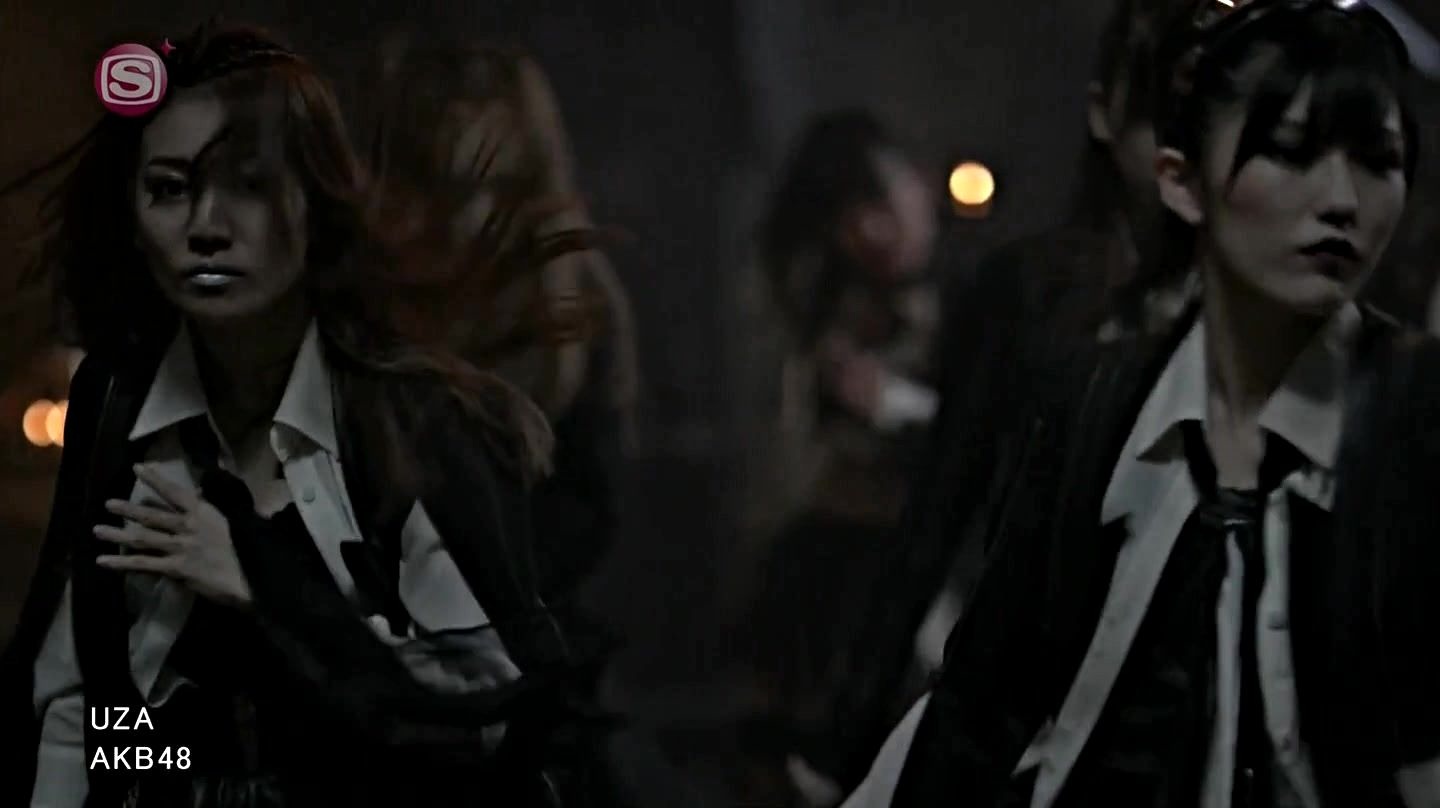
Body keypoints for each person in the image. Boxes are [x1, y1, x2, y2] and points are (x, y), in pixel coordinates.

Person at [0, 22, 598, 807]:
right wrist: (175, 765)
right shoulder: (118, 405)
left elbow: (485, 727)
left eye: (250, 185)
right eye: (170, 188)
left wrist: (270, 588)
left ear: (314, 205)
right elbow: (85, 712)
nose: (206, 226)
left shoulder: (413, 423)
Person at [891, 1, 1440, 806]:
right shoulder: (1096, 404)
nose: (1341, 199)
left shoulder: (1414, 415)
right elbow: (979, 709)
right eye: (1290, 152)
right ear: (1181, 182)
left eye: (1378, 160)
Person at [364, 36, 639, 615]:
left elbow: (587, 512)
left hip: (524, 632)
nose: (457, 218)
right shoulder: (354, 296)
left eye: (481, 186)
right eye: (423, 179)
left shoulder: (575, 301)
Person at [744, 109, 941, 804]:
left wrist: (891, 402)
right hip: (843, 564)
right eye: (849, 218)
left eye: (881, 202)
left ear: (915, 183)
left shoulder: (983, 292)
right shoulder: (829, 304)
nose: (872, 232)